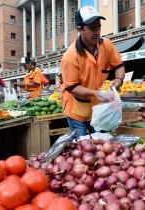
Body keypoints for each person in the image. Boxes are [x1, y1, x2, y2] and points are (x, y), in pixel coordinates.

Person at [60, 6, 125, 137]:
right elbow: (72, 87)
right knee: (83, 145)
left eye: (98, 27)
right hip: (76, 108)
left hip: (98, 108)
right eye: (92, 28)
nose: (97, 32)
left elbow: (119, 66)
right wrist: (95, 93)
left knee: (101, 143)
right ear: (79, 29)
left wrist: (119, 80)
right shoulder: (70, 56)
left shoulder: (106, 45)